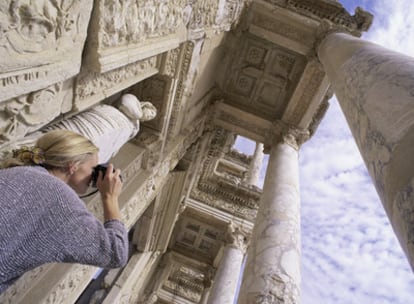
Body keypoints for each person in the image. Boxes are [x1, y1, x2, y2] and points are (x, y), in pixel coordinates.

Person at [0, 130, 128, 294]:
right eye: (93, 168)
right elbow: (115, 252)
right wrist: (110, 197)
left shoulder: (10, 172)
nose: (94, 177)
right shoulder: (60, 199)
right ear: (73, 164)